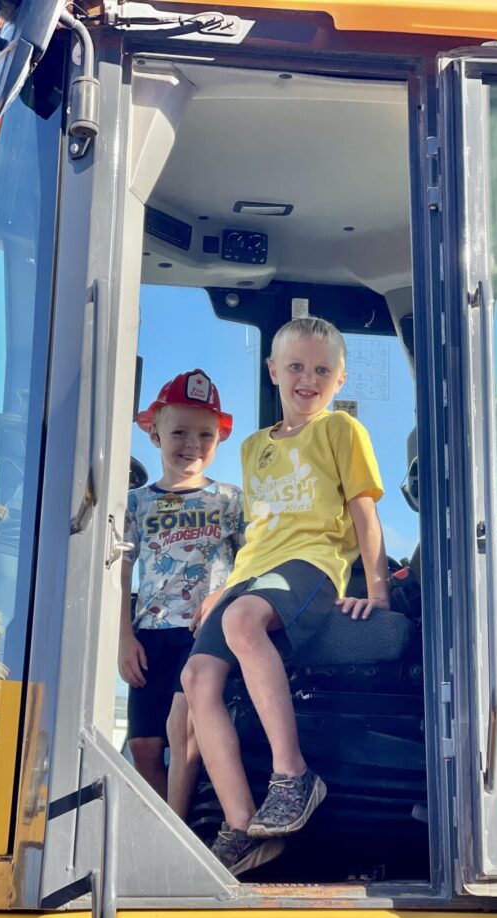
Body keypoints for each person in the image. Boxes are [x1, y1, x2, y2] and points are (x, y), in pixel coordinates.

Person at [181, 317, 389, 874]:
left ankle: (293, 776)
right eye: (296, 366)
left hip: (310, 565)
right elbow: (259, 531)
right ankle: (243, 824)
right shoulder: (252, 449)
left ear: (340, 380)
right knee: (197, 677)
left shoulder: (340, 432)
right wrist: (223, 584)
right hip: (253, 570)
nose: (308, 378)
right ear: (273, 371)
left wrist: (378, 591)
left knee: (245, 623)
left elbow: (363, 514)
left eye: (322, 369)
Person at [119, 369, 243, 819]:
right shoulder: (135, 503)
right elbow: (122, 571)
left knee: (180, 728)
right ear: (154, 434)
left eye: (205, 434)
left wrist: (222, 594)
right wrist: (123, 637)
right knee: (144, 745)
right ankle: (167, 823)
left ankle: (177, 839)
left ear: (219, 439)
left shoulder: (230, 500)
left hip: (201, 634)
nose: (192, 444)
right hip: (149, 632)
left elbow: (253, 561)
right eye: (179, 432)